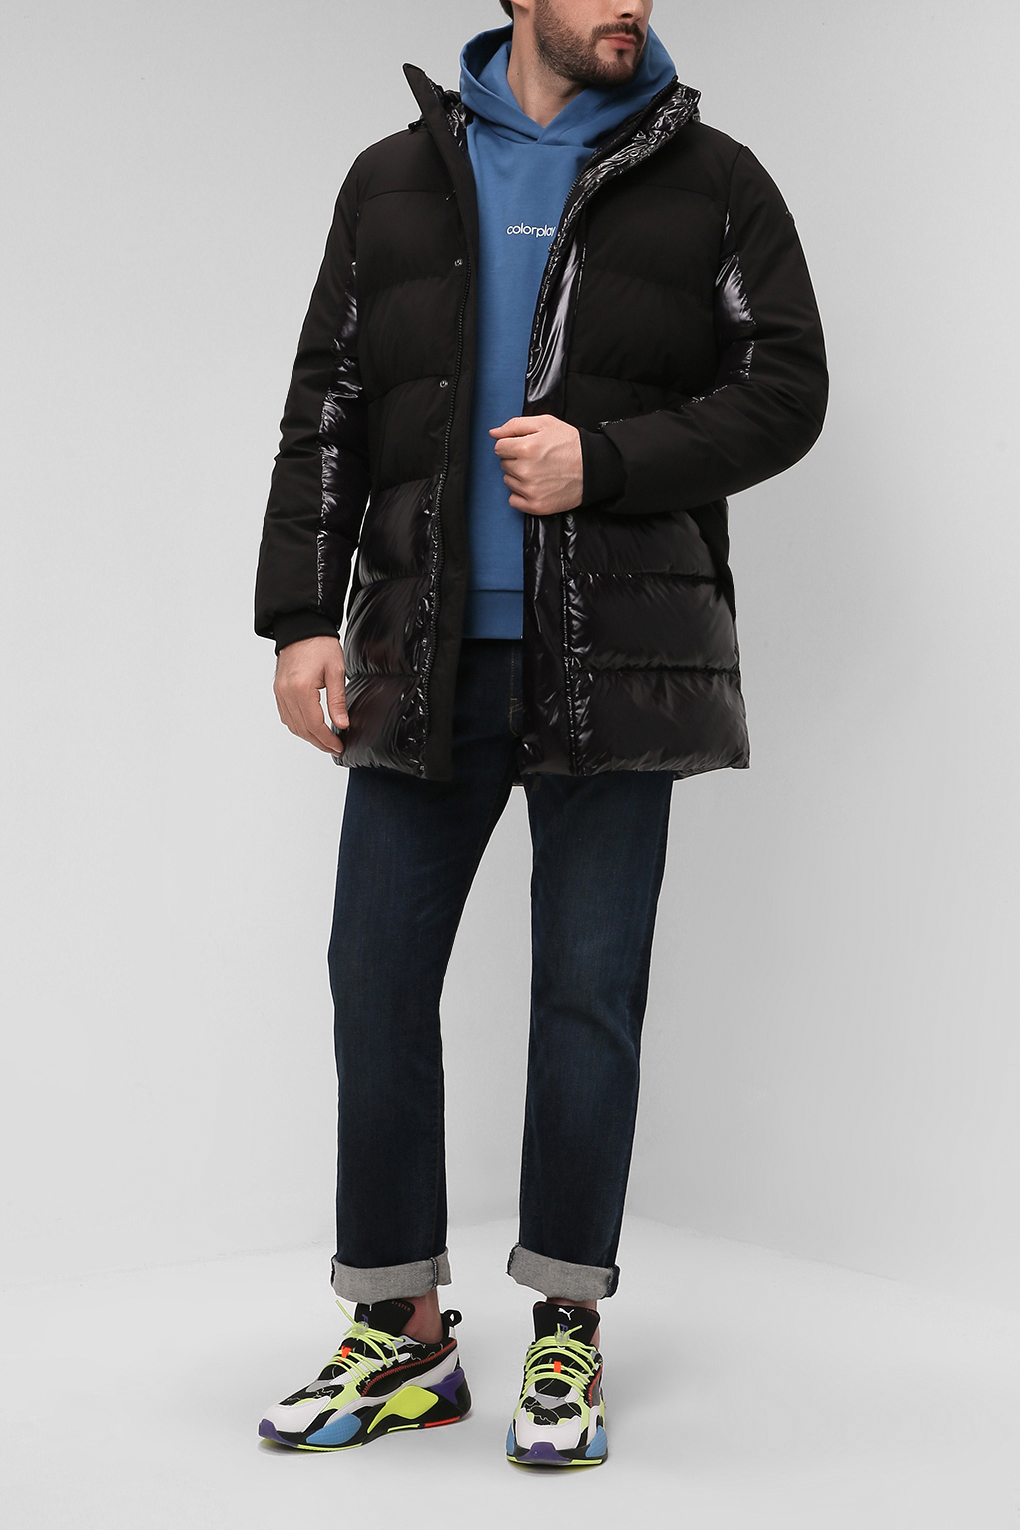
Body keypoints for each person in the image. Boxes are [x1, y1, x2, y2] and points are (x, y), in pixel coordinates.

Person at [254, 0, 827, 1468]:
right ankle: (402, 1331)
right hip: (419, 653)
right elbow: (329, 404)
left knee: (586, 997)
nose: (631, 5)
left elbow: (786, 390)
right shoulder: (394, 176)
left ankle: (565, 1325)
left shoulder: (715, 179)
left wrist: (610, 459)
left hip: (616, 661)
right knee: (376, 977)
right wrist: (301, 618)